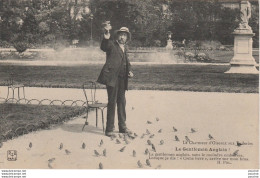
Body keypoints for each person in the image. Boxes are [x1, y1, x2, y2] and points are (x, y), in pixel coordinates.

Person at [97, 24, 134, 137]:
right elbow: (104, 47)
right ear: (117, 36)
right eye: (121, 35)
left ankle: (122, 127)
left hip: (123, 79)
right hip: (112, 79)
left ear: (127, 38)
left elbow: (126, 62)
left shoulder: (124, 48)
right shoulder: (112, 44)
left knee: (122, 103)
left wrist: (130, 70)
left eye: (125, 36)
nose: (122, 37)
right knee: (112, 103)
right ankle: (109, 129)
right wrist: (106, 38)